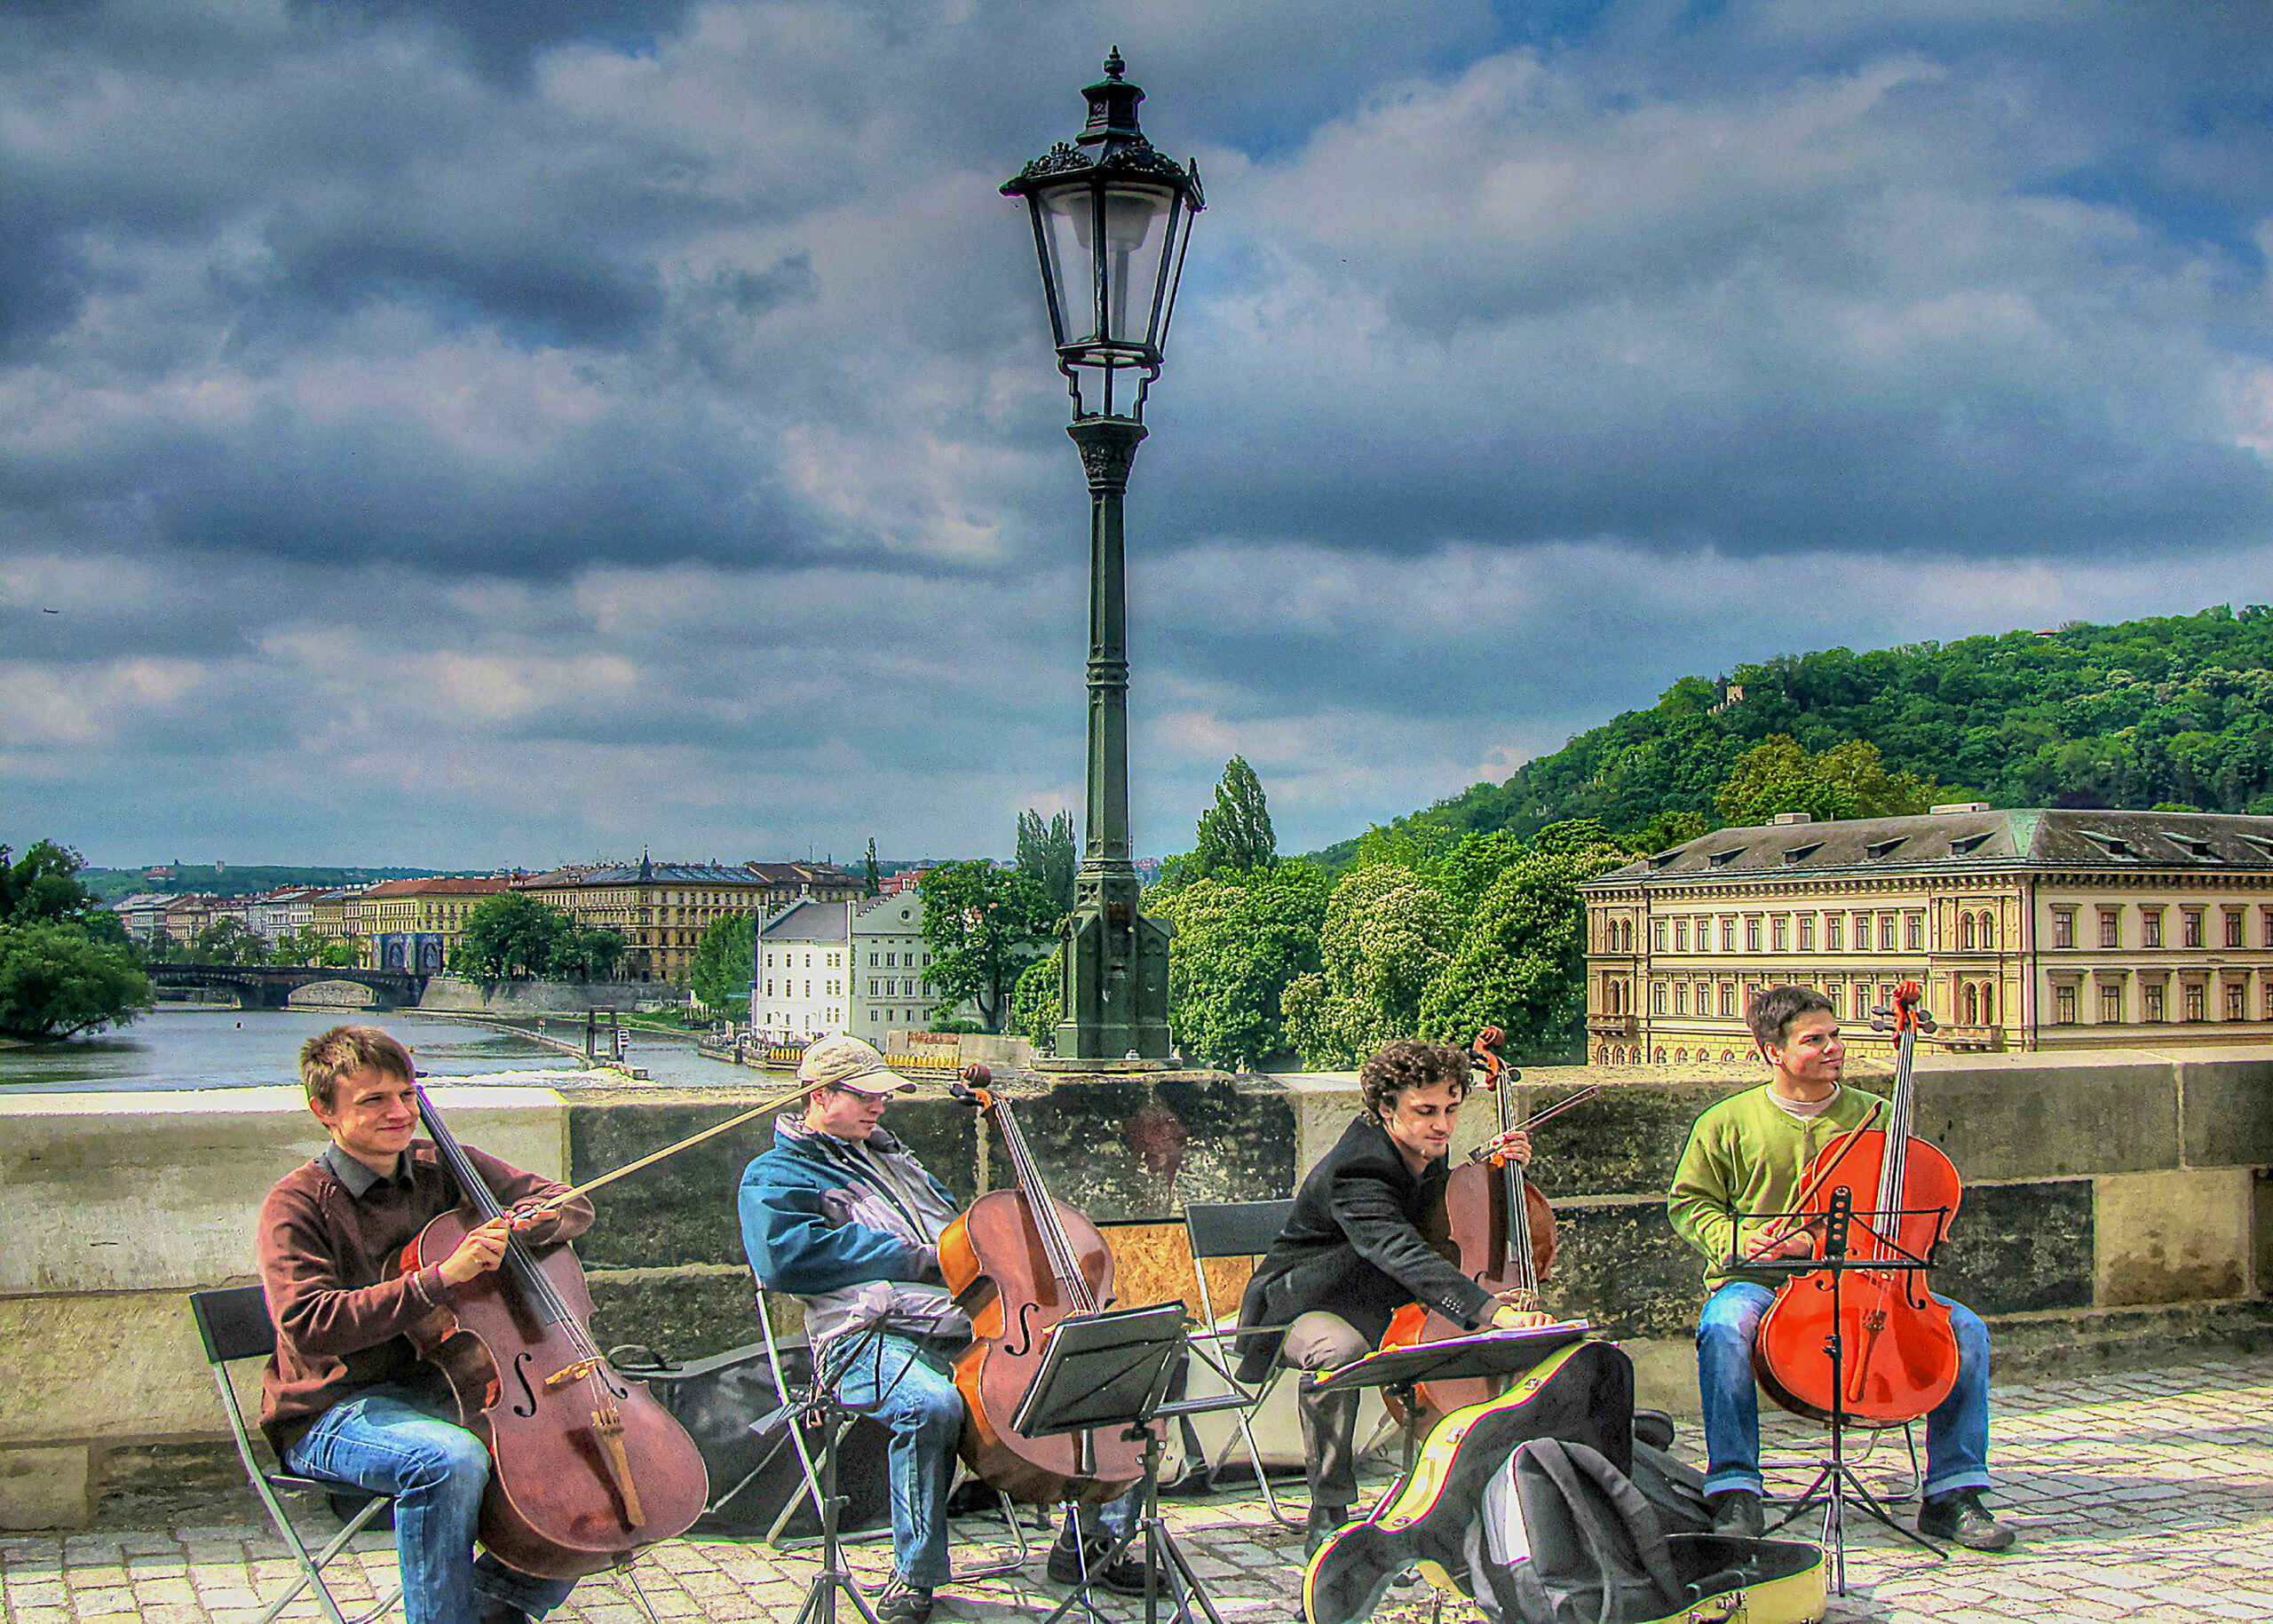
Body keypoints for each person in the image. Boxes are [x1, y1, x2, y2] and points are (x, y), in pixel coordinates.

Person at [740, 1035, 1144, 1624]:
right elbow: (782, 1258)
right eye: (865, 1095)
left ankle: (1091, 1545)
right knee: (929, 1405)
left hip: (966, 1324)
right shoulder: (775, 1173)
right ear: (820, 1094)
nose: (881, 1105)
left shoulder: (899, 1160)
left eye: (884, 1095)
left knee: (1099, 1368)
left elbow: (961, 1236)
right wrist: (910, 1258)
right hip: (864, 1335)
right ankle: (915, 1575)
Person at [257, 1025, 596, 1624]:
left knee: (579, 1451)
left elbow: (571, 1202)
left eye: (407, 1095)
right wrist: (440, 1278)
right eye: (374, 1100)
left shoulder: (442, 1164)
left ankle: (497, 1607)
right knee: (448, 1460)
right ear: (324, 1111)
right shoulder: (300, 1202)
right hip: (336, 1408)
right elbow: (309, 1323)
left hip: (448, 1391)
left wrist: (518, 1225)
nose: (400, 1112)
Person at [1666, 984, 2016, 1552]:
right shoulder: (1725, 1122)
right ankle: (1734, 1487)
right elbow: (1689, 1206)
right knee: (1724, 1327)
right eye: (1815, 1040)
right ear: (1771, 1051)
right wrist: (1743, 1238)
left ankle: (1954, 1493)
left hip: (1864, 1280)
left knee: (1966, 1332)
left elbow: (1896, 1212)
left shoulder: (1878, 1118)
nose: (1833, 1048)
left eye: (1835, 1036)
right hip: (1758, 1281)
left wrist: (1825, 1238)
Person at [1234, 1038, 1548, 1556]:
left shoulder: (1420, 1152)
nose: (1443, 1125)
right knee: (1337, 1354)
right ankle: (1329, 1509)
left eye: (1450, 1109)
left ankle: (1468, 1490)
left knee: (1460, 1349)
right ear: (1386, 1109)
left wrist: (1495, 1173)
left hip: (1389, 1299)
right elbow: (1400, 1249)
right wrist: (1489, 1311)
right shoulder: (1357, 1166)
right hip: (1315, 1300)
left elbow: (1440, 1221)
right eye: (1425, 1112)